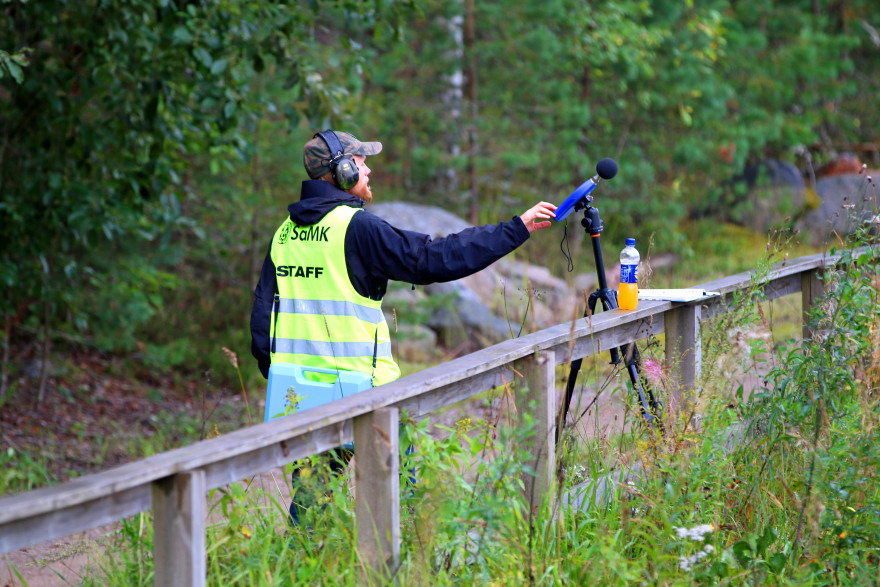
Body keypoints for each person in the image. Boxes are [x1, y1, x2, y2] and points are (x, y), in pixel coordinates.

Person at [249, 129, 556, 525]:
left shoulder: (284, 236)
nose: (369, 168)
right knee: (403, 508)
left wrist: (285, 381)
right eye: (361, 162)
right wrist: (517, 228)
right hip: (370, 394)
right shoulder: (358, 228)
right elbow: (435, 259)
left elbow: (262, 327)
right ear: (342, 171)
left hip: (303, 396)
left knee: (308, 510)